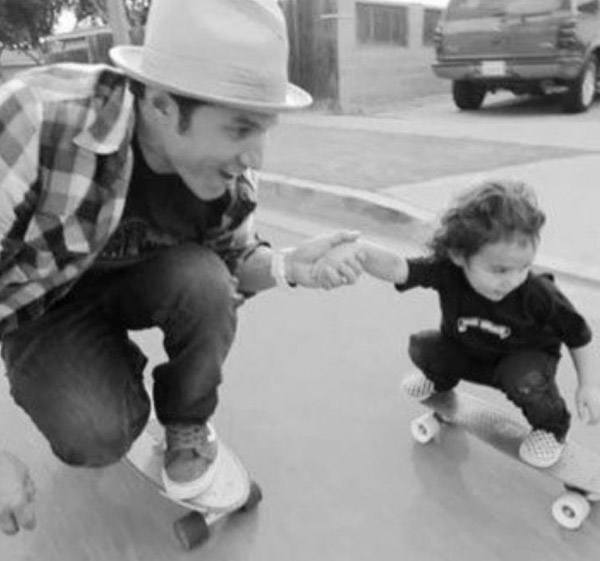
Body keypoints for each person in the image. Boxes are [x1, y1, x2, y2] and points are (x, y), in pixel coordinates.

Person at [0, 0, 365, 535]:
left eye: (264, 129)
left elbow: (235, 264)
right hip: (43, 307)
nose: (255, 157)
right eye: (240, 130)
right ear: (163, 106)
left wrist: (286, 267)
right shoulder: (35, 119)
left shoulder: (231, 182)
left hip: (138, 282)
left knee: (206, 280)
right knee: (95, 435)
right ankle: (89, 370)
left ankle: (188, 424)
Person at [314, 179, 600, 468]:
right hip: (468, 352)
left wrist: (588, 385)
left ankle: (551, 428)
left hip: (523, 362)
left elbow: (578, 335)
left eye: (524, 267)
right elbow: (398, 268)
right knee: (424, 349)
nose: (512, 280)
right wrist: (358, 251)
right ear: (459, 255)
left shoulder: (539, 294)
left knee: (524, 380)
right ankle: (441, 381)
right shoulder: (447, 271)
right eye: (499, 270)